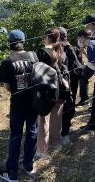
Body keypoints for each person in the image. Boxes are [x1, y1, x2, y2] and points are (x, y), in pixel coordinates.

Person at [0, 29, 38, 182]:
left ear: (9, 43)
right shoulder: (33, 56)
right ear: (23, 41)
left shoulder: (7, 61)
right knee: (32, 132)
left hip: (17, 104)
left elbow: (8, 87)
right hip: (34, 102)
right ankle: (29, 165)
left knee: (15, 137)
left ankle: (12, 173)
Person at [36, 27, 66, 155]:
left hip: (46, 91)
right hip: (59, 88)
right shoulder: (61, 50)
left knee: (43, 119)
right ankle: (56, 142)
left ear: (48, 37)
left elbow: (38, 72)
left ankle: (42, 149)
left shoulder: (42, 52)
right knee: (57, 116)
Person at [58, 27, 83, 144]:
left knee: (66, 105)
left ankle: (64, 133)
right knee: (69, 103)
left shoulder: (65, 49)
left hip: (66, 83)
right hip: (71, 82)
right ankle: (64, 128)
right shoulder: (71, 47)